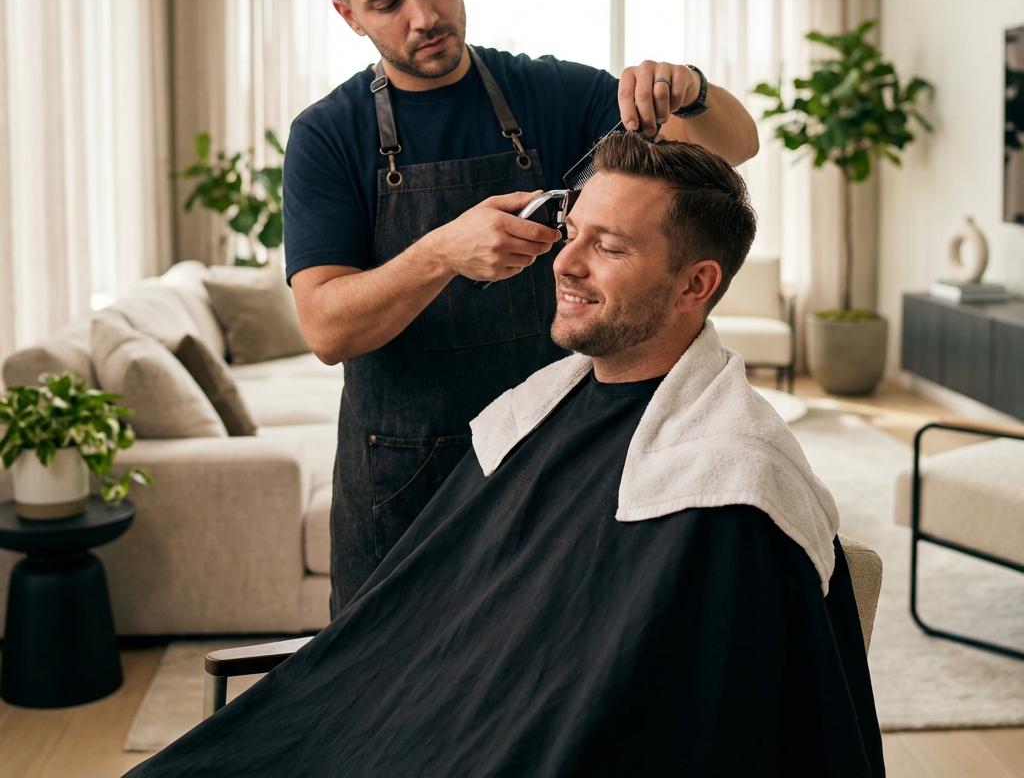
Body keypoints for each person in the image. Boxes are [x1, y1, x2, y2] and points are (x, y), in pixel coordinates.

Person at [130, 133, 884, 778]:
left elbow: (673, 728)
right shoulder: (540, 410)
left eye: (609, 246)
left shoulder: (729, 483)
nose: (566, 262)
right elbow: (439, 623)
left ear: (696, 284)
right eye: (573, 231)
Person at [285, 0, 760, 613]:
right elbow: (325, 327)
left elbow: (733, 148)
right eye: (387, 2)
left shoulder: (554, 95)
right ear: (349, 16)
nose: (424, 15)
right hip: (403, 481)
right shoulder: (326, 136)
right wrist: (442, 252)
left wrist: (692, 88)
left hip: (550, 456)